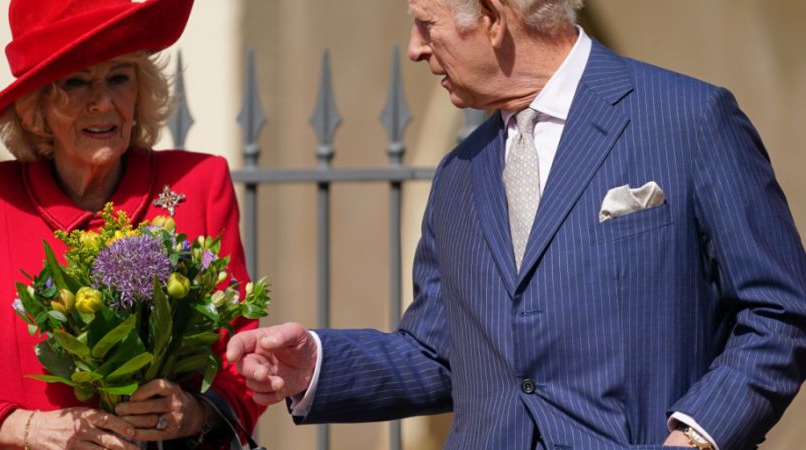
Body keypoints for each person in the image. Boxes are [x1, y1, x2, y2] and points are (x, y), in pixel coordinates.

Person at [227, 0, 806, 449]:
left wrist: (697, 435)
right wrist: (315, 366)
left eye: (426, 25)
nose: (414, 49)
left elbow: (779, 313)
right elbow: (440, 355)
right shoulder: (459, 174)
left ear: (491, 17)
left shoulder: (689, 119)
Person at [0, 1, 264, 449]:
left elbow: (244, 369)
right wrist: (30, 429)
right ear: (36, 107)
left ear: (140, 92)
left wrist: (194, 413)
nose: (102, 102)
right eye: (75, 82)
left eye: (119, 78)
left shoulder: (199, 186)